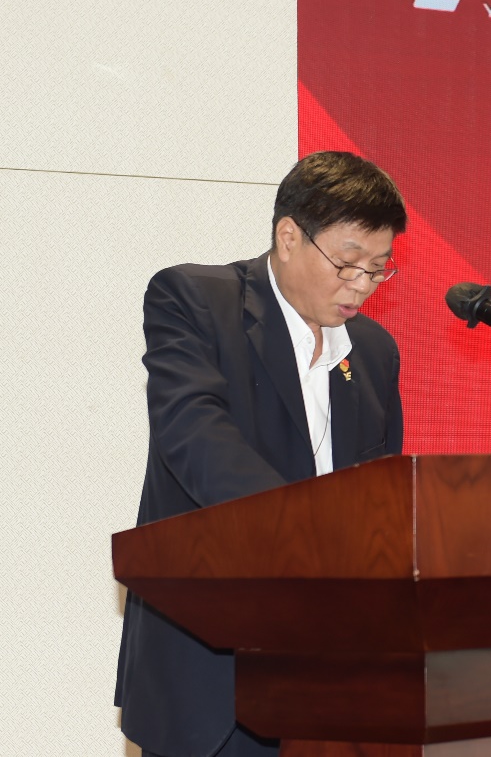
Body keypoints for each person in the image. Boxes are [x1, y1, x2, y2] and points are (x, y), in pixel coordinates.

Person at [115, 151, 409, 757]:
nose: (361, 285)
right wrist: (311, 531)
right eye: (348, 263)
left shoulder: (374, 352)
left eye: (378, 269)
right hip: (211, 676)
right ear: (289, 236)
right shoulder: (196, 300)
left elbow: (379, 494)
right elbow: (194, 435)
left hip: (332, 685)